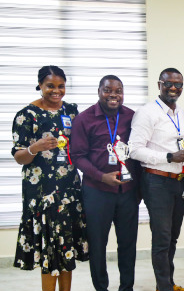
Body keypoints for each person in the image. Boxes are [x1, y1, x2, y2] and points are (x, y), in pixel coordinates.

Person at [11, 65, 88, 291]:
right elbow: (19, 157)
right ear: (40, 86)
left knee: (66, 249)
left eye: (61, 86)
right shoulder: (26, 115)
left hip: (69, 190)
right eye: (50, 86)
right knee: (50, 253)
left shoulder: (72, 111)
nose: (56, 91)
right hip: (42, 194)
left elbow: (82, 145)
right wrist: (34, 147)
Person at [71, 75, 140, 291]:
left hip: (127, 192)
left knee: (128, 245)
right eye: (108, 90)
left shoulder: (131, 116)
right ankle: (101, 287)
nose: (113, 95)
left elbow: (138, 152)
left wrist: (139, 190)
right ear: (99, 91)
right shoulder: (84, 118)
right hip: (97, 192)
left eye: (118, 91)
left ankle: (126, 287)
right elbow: (78, 156)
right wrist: (102, 176)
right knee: (98, 246)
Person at [129, 68, 184, 291]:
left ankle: (167, 284)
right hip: (156, 182)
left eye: (178, 84)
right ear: (159, 85)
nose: (173, 88)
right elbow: (134, 150)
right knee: (162, 239)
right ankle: (163, 287)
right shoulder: (147, 112)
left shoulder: (180, 113)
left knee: (173, 237)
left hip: (179, 181)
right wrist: (168, 156)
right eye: (169, 83)